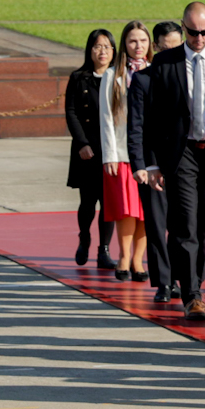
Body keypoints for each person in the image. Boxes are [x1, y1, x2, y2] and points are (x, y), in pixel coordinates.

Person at [138, 1, 205, 321]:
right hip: (182, 153)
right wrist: (151, 163)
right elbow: (151, 117)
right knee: (185, 224)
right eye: (193, 32)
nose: (199, 38)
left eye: (204, 32)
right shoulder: (166, 62)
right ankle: (192, 294)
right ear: (184, 29)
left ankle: (196, 282)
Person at [126, 21, 186, 299]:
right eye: (166, 47)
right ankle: (164, 282)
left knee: (183, 226)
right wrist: (140, 165)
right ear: (156, 47)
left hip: (185, 164)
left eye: (177, 46)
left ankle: (185, 279)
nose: (172, 52)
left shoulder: (191, 78)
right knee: (156, 224)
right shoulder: (143, 79)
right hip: (153, 167)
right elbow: (135, 126)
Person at [64, 30, 119, 271]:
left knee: (109, 203)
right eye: (97, 46)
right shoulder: (79, 77)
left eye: (107, 47)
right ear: (90, 50)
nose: (102, 51)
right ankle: (84, 237)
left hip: (111, 150)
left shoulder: (118, 77)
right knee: (88, 201)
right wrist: (82, 143)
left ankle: (104, 250)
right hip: (87, 149)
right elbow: (71, 112)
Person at [99, 34, 148, 280]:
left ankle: (139, 259)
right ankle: (124, 256)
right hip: (121, 153)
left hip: (148, 154)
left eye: (142, 41)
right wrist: (109, 155)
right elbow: (106, 117)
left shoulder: (155, 71)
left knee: (145, 210)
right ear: (124, 45)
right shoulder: (112, 75)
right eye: (132, 41)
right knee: (126, 209)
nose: (138, 46)